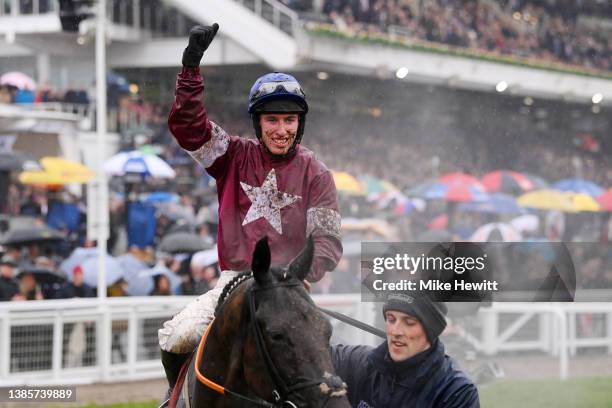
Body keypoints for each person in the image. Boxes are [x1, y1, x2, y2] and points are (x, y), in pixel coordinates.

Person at [158, 23, 343, 391]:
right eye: (272, 120)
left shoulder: (317, 173)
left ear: (299, 123)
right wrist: (191, 67)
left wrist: (294, 273)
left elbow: (328, 242)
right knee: (175, 337)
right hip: (235, 283)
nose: (281, 129)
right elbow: (188, 128)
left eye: (289, 120)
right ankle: (175, 399)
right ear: (258, 123)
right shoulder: (232, 155)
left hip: (290, 287)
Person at [331, 293, 479, 407]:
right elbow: (313, 353)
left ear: (431, 330)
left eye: (409, 323)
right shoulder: (356, 363)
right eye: (391, 319)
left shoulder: (456, 390)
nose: (395, 331)